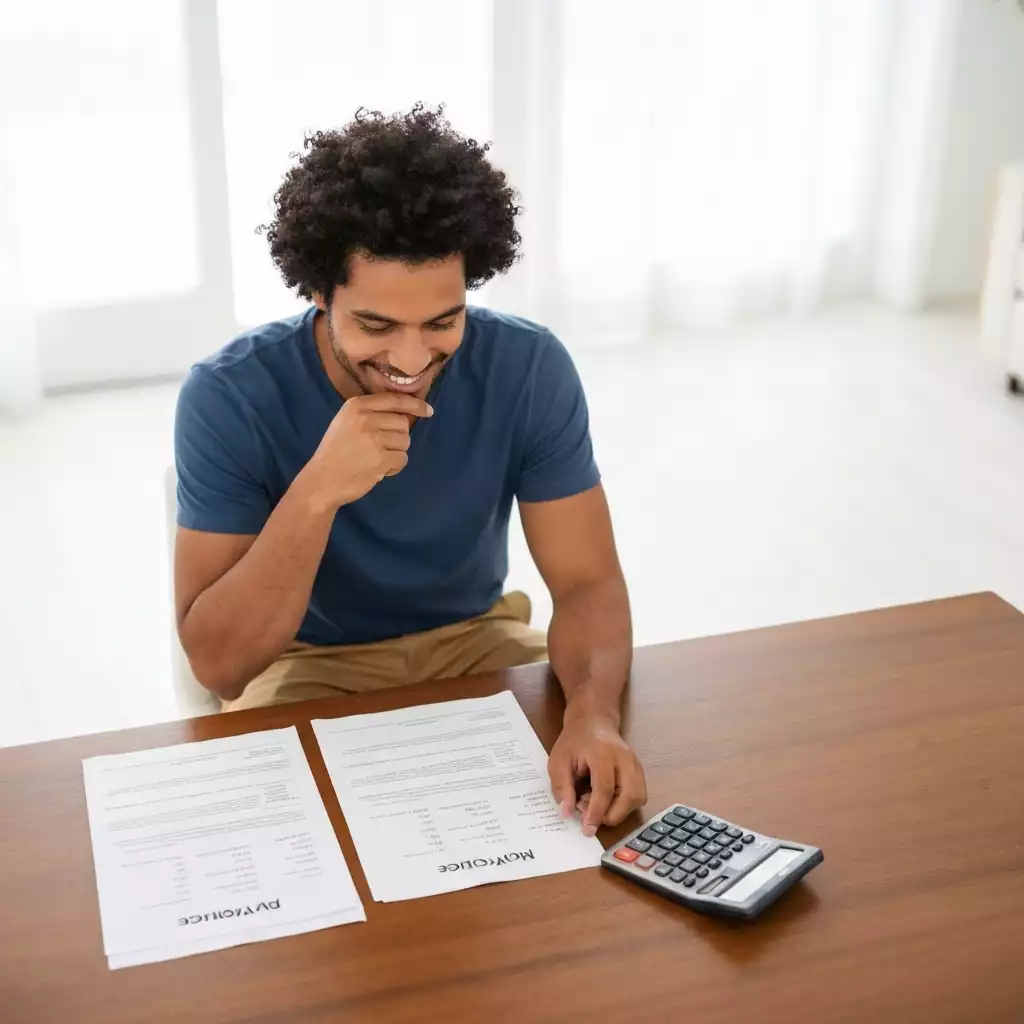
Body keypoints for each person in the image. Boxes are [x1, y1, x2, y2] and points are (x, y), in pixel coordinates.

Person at [173, 105, 646, 835]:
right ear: (318, 293)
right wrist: (319, 489)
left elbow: (586, 582)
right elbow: (220, 665)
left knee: (590, 834)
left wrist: (593, 714)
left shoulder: (529, 366)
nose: (410, 360)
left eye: (442, 322)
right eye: (374, 325)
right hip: (308, 662)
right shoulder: (228, 395)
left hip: (476, 638)